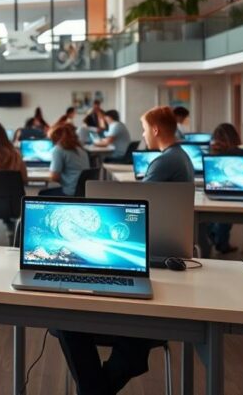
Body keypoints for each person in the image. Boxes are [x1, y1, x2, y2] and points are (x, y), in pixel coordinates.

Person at [54, 106, 191, 395]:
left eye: (143, 128)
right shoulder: (179, 156)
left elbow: (136, 203)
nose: (141, 134)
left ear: (155, 129)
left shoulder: (166, 161)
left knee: (66, 318)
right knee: (68, 318)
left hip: (151, 249)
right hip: (156, 247)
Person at [206, 122, 243, 254]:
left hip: (213, 191)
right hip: (236, 191)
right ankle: (222, 242)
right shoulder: (239, 154)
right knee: (227, 215)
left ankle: (214, 235)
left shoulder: (212, 152)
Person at [42, 123, 90, 196]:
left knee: (42, 193)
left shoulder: (59, 149)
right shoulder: (81, 149)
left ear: (55, 137)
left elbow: (54, 177)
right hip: (82, 191)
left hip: (69, 192)